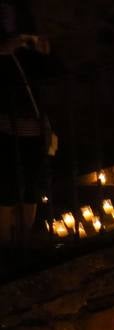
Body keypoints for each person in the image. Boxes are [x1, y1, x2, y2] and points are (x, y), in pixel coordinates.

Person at [0, 0, 52, 249]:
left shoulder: (22, 16)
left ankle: (23, 240)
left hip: (34, 117)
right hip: (8, 118)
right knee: (9, 185)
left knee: (31, 183)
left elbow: (45, 67)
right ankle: (8, 245)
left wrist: (37, 48)